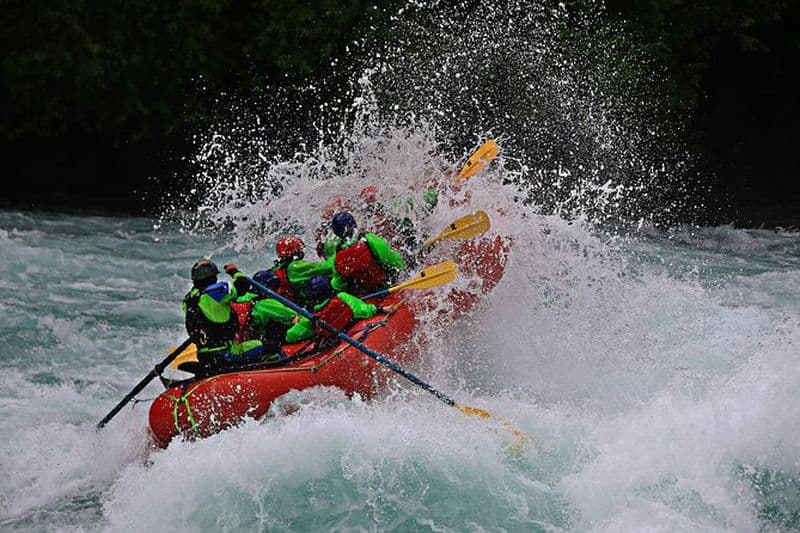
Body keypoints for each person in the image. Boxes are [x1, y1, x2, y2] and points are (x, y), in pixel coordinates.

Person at [181, 259, 275, 375]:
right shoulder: (217, 292)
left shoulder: (189, 299)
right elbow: (242, 284)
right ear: (213, 277)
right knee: (271, 346)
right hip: (227, 354)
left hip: (204, 356)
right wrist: (234, 271)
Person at [284, 276, 388, 344]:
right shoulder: (341, 296)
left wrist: (296, 323)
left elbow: (290, 336)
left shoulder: (310, 317)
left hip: (337, 340)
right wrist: (379, 309)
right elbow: (363, 310)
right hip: (353, 328)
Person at [327, 212, 408, 295]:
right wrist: (405, 267)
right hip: (388, 284)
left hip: (365, 295)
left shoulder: (338, 254)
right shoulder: (369, 239)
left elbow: (338, 284)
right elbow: (391, 259)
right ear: (354, 224)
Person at [272, 235, 333, 303]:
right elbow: (327, 268)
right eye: (300, 249)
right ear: (295, 251)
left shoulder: (279, 267)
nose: (302, 251)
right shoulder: (295, 267)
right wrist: (339, 250)